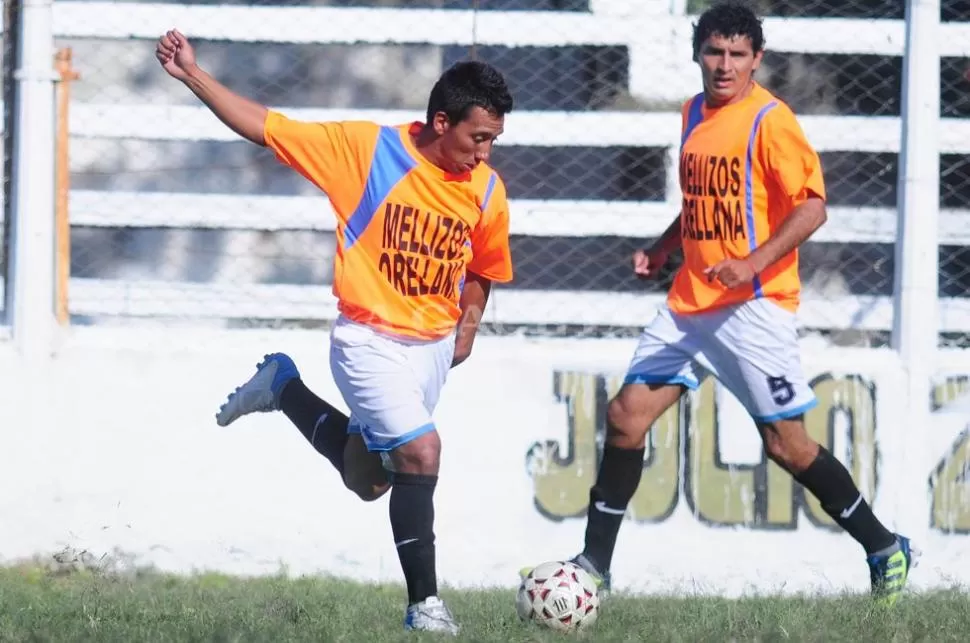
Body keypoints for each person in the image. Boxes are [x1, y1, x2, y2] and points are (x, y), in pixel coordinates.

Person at [525, 1, 917, 607]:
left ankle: (884, 547)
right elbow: (705, 201)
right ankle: (594, 565)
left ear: (757, 59)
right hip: (690, 304)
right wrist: (662, 247)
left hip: (752, 308)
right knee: (626, 417)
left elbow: (812, 206)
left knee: (786, 445)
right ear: (697, 53)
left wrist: (754, 262)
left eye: (738, 54)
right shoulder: (692, 113)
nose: (724, 64)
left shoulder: (771, 121)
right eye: (715, 51)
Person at [155, 28, 515, 634]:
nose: (484, 154)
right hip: (367, 341)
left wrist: (468, 326)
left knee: (371, 481)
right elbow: (266, 125)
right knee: (422, 452)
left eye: (493, 142)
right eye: (478, 138)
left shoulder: (486, 188)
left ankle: (282, 388)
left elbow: (484, 265)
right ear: (440, 120)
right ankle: (425, 607)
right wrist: (194, 75)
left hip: (429, 353)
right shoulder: (366, 152)